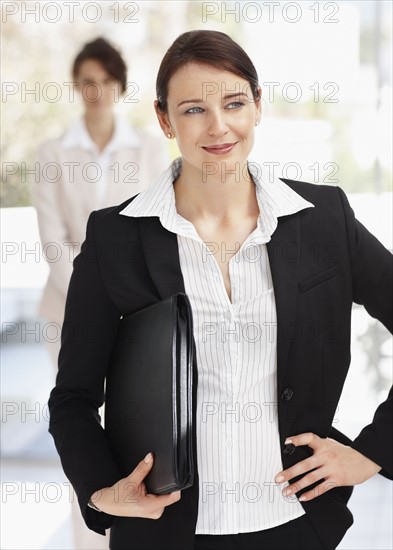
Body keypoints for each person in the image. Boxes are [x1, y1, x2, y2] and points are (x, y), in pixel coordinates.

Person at [48, 30, 393, 550]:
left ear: (257, 106)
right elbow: (72, 399)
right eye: (192, 110)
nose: (218, 126)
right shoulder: (115, 237)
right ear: (165, 119)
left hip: (297, 527)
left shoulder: (324, 221)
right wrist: (101, 493)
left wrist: (373, 451)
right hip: (165, 535)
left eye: (234, 103)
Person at [34, 37, 169, 550]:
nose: (96, 92)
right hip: (69, 313)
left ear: (119, 86)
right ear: (77, 86)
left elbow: (156, 229)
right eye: (86, 82)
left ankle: (131, 535)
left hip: (137, 317)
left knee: (135, 428)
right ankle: (88, 540)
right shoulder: (51, 154)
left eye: (105, 82)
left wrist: (123, 300)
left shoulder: (150, 148)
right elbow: (54, 244)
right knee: (81, 432)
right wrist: (99, 299)